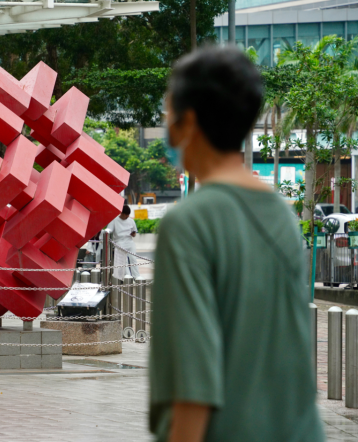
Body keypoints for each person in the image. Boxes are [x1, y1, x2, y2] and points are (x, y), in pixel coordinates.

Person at [150, 46, 323, 441]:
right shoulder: (282, 215)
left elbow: (192, 386)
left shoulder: (189, 223)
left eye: (168, 115)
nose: (167, 128)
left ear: (189, 122)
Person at [107, 205, 140, 279]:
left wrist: (133, 234)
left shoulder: (131, 220)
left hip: (129, 241)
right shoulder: (114, 220)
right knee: (123, 261)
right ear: (121, 213)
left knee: (133, 259)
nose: (127, 216)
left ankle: (136, 276)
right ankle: (127, 277)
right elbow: (109, 230)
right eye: (126, 214)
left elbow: (134, 233)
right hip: (119, 242)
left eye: (128, 214)